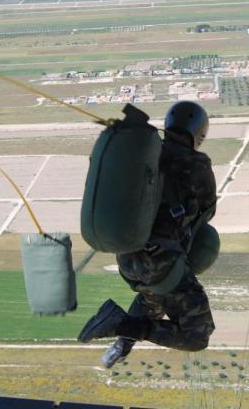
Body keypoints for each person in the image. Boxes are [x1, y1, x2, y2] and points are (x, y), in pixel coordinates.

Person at [78, 100, 217, 367]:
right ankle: (120, 325)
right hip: (160, 262)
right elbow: (207, 212)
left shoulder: (146, 156)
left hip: (129, 256)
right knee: (196, 336)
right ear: (199, 134)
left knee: (154, 300)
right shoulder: (197, 165)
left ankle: (122, 345)